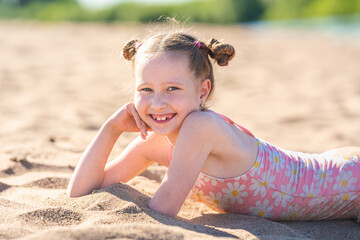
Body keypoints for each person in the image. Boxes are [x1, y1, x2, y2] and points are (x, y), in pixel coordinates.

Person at [66, 29, 360, 221]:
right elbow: (81, 191)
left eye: (172, 89)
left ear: (202, 91)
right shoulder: (155, 141)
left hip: (348, 182)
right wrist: (111, 129)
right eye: (146, 90)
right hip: (333, 164)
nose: (157, 104)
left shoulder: (200, 127)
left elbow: (163, 209)